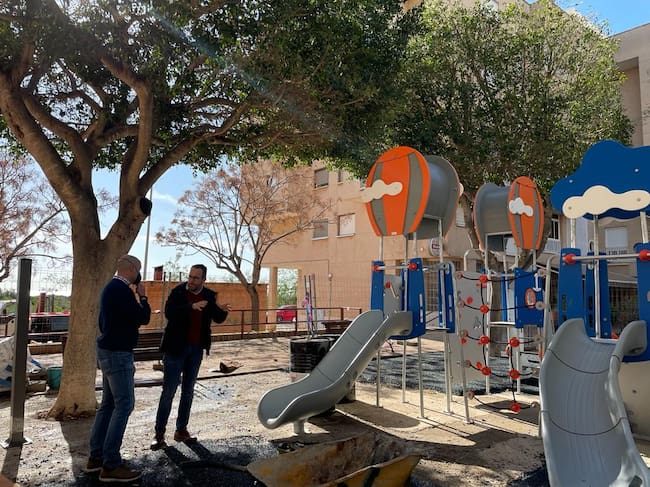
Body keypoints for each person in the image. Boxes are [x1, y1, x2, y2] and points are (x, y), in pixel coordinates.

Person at [85, 255, 151, 483]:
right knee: (124, 405)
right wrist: (143, 297)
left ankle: (96, 457)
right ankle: (111, 464)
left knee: (108, 405)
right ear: (131, 269)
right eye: (139, 270)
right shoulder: (121, 291)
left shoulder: (110, 289)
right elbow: (143, 317)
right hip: (118, 354)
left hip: (108, 350)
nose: (139, 274)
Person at [150, 264, 230, 450]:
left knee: (188, 391)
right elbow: (170, 313)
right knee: (169, 391)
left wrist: (223, 310)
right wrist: (191, 306)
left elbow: (217, 318)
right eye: (190, 277)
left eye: (196, 278)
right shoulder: (177, 292)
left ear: (203, 280)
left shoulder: (208, 295)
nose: (191, 281)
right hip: (175, 349)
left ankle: (181, 430)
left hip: (195, 350)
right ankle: (159, 434)